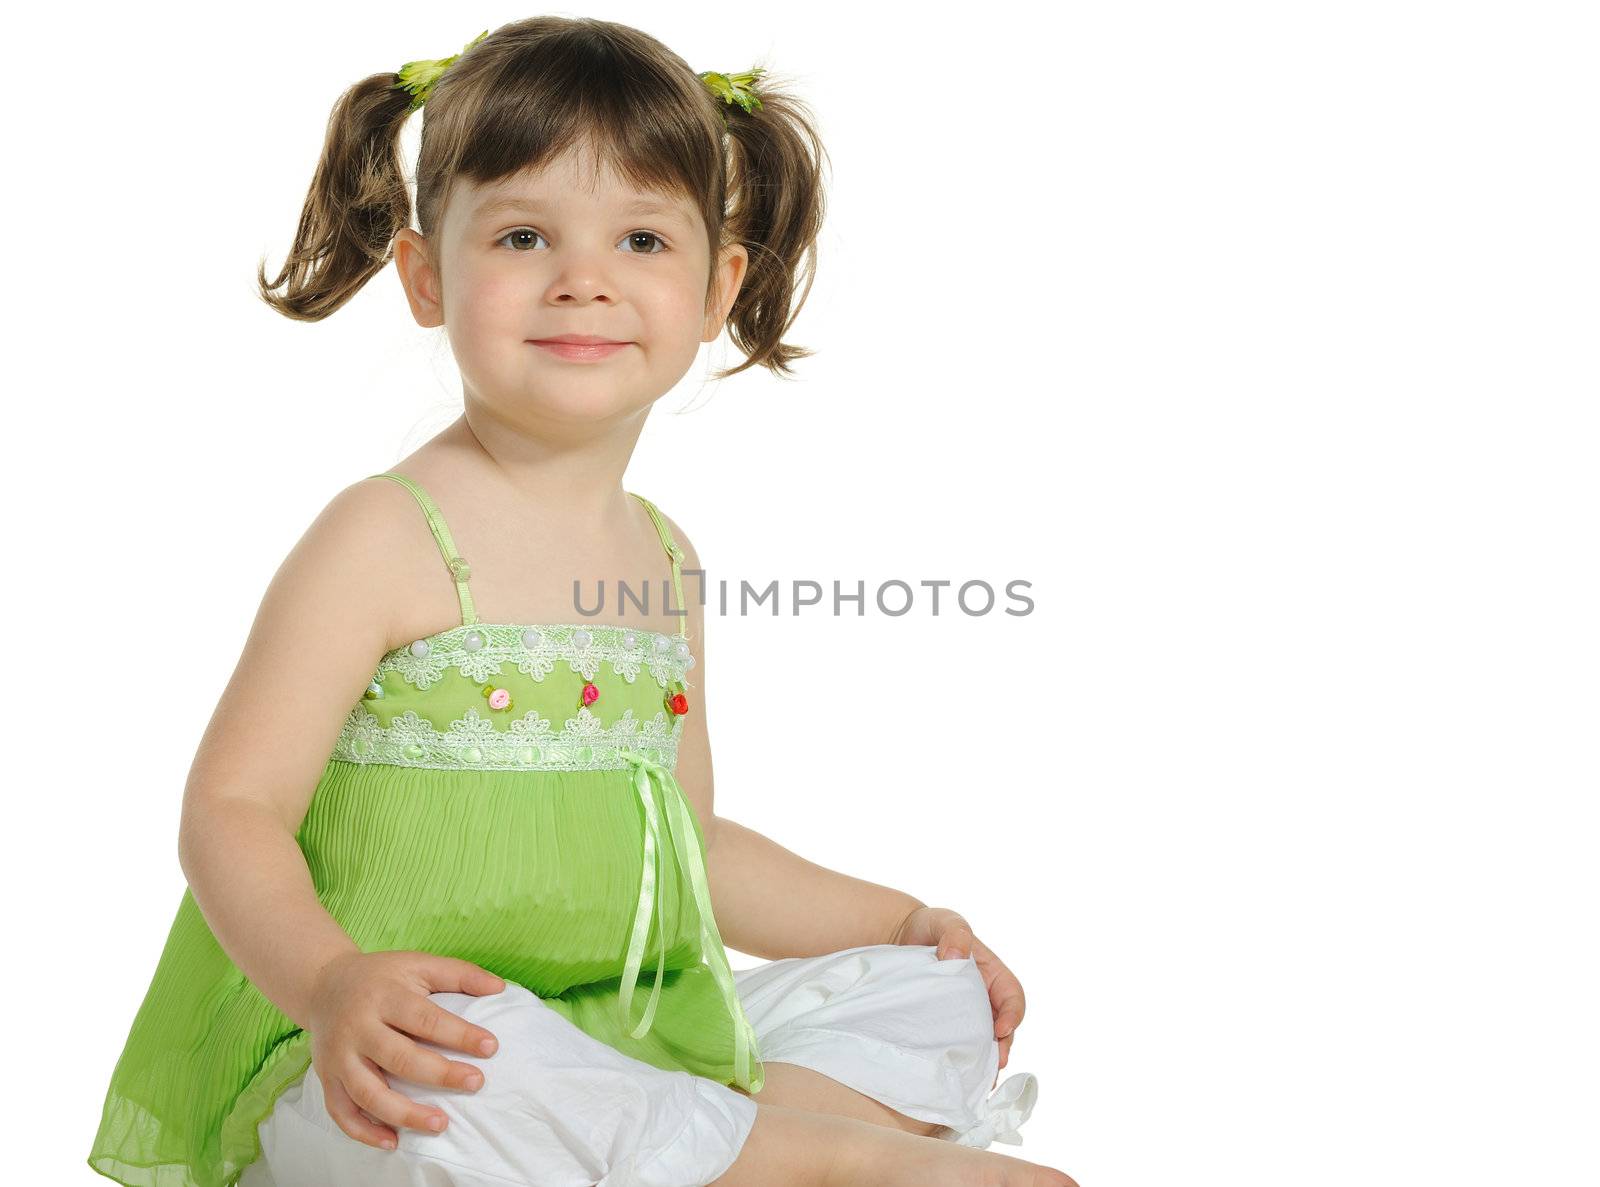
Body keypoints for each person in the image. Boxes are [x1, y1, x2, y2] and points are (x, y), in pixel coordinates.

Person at [86, 16, 1075, 1187]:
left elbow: (687, 842)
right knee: (465, 1071)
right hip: (389, 1050)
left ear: (716, 288)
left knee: (926, 991)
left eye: (642, 238)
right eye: (520, 234)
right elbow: (232, 807)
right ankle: (795, 1160)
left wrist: (902, 919)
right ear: (423, 276)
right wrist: (330, 982)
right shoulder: (387, 534)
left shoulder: (660, 558)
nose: (583, 278)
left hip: (612, 1029)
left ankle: (731, 1153)